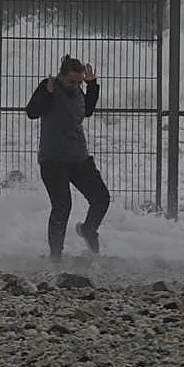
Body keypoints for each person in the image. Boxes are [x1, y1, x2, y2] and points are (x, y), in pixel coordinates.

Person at [25, 54, 111, 263]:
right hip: (53, 160)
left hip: (79, 158)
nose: (75, 86)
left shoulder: (79, 91)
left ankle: (88, 229)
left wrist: (92, 86)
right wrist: (46, 94)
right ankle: (55, 255)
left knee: (101, 198)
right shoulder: (50, 86)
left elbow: (87, 110)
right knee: (63, 205)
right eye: (72, 82)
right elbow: (32, 112)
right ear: (61, 77)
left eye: (79, 82)